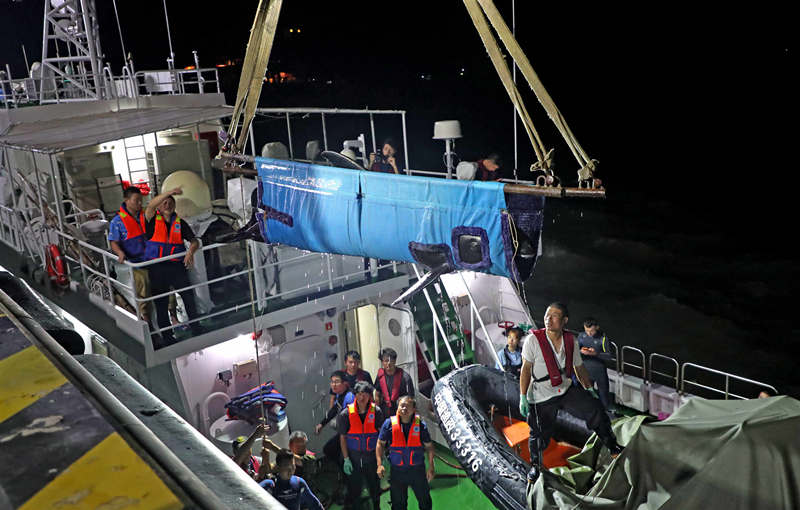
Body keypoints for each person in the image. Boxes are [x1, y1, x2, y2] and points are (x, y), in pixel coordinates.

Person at [519, 303, 623, 481]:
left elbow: (578, 367)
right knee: (538, 434)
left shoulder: (570, 340)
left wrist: (589, 388)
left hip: (565, 389)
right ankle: (535, 467)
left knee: (595, 410)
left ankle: (613, 448)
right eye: (547, 315)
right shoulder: (533, 341)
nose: (548, 319)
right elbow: (526, 369)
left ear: (564, 320)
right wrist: (523, 396)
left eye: (554, 315)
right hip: (541, 394)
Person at [143, 187, 202, 346]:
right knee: (161, 305)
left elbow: (194, 241)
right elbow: (150, 206)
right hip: (157, 268)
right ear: (159, 207)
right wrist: (168, 192)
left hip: (177, 267)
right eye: (164, 202)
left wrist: (190, 252)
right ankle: (168, 337)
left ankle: (196, 327)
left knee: (188, 297)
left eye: (170, 202)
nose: (167, 204)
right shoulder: (152, 221)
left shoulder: (180, 223)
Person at [376, 396, 435, 510]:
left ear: (414, 410)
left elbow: (429, 446)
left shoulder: (421, 426)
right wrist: (379, 464)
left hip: (417, 471)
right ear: (397, 408)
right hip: (397, 472)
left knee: (425, 501)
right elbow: (380, 444)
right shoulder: (389, 424)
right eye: (401, 406)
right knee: (398, 504)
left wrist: (431, 466)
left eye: (407, 406)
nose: (404, 408)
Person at [338, 381, 385, 510]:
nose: (361, 397)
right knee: (354, 488)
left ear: (370, 395)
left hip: (372, 457)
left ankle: (377, 507)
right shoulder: (345, 415)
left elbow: (381, 437)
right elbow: (342, 438)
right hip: (353, 458)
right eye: (358, 394)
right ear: (355, 396)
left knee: (375, 486)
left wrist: (381, 458)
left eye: (364, 394)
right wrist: (346, 459)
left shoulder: (377, 412)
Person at [108, 186, 151, 322]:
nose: (139, 203)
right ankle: (145, 317)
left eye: (141, 201)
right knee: (142, 281)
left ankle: (172, 315)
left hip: (151, 257)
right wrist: (120, 252)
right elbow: (113, 242)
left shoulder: (144, 216)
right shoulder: (117, 222)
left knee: (165, 280)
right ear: (126, 200)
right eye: (136, 200)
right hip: (134, 261)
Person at [260, 450, 324, 510]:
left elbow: (314, 504)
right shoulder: (269, 485)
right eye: (286, 467)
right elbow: (251, 498)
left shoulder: (299, 482)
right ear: (278, 467)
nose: (290, 470)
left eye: (293, 466)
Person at [315, 371, 355, 465]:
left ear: (345, 383)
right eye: (332, 382)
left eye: (337, 382)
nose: (333, 385)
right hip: (344, 431)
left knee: (332, 451)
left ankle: (345, 472)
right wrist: (322, 424)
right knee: (329, 450)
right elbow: (334, 410)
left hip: (351, 433)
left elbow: (350, 420)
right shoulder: (339, 394)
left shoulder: (349, 397)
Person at [577, 317, 614, 410]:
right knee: (587, 393)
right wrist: (580, 351)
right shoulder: (581, 336)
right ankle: (589, 410)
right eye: (587, 331)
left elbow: (609, 356)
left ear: (597, 327)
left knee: (603, 393)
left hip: (599, 370)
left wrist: (595, 353)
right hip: (585, 369)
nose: (589, 333)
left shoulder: (603, 339)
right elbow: (575, 351)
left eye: (592, 331)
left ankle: (606, 410)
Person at [375, 347, 415, 417]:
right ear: (382, 362)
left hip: (401, 412)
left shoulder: (405, 377)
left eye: (391, 361)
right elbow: (377, 393)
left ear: (395, 361)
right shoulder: (380, 376)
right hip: (384, 412)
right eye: (386, 361)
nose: (389, 363)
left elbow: (411, 399)